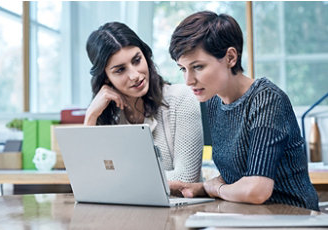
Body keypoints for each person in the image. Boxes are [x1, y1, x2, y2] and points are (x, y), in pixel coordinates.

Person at [168, 11, 319, 211]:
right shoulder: (213, 101)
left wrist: (216, 189)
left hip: (291, 216)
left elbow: (257, 190)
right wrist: (202, 187)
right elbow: (240, 174)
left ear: (230, 57)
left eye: (198, 67)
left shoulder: (267, 100)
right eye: (183, 69)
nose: (188, 80)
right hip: (248, 215)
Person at [84, 22, 204, 184]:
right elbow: (89, 179)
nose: (135, 75)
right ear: (105, 77)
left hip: (178, 208)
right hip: (125, 208)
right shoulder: (108, 116)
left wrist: (117, 178)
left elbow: (186, 178)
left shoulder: (181, 98)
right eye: (120, 70)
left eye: (137, 60)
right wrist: (91, 116)